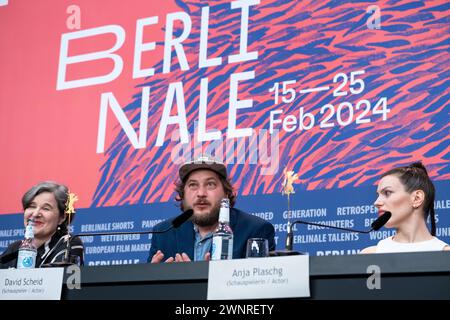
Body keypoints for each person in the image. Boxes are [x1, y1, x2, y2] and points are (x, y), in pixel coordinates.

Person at [149, 155, 276, 263]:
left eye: (210, 184)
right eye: (193, 185)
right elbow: (148, 289)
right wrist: (153, 278)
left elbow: (259, 287)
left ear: (226, 193)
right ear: (183, 194)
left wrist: (204, 277)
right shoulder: (163, 233)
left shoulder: (256, 230)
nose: (201, 193)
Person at [361, 162, 450, 253]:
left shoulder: (446, 254)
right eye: (378, 195)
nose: (376, 203)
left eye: (387, 193)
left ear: (417, 198)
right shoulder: (369, 255)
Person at [0, 181, 84, 268]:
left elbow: (55, 279)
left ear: (62, 217)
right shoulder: (14, 248)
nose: (35, 214)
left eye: (46, 208)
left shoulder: (69, 244)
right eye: (32, 206)